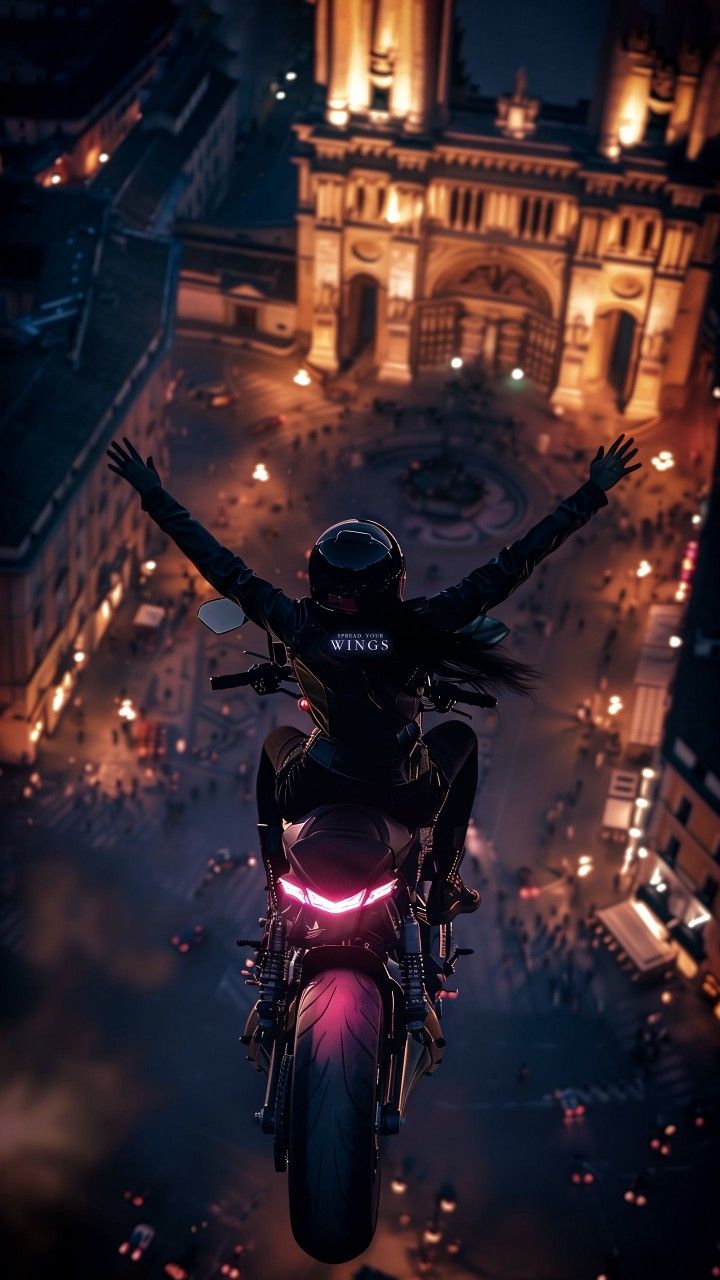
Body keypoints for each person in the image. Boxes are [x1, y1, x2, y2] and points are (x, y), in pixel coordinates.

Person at [106, 433, 641, 923]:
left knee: (275, 744)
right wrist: (591, 492)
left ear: (318, 578)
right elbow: (515, 562)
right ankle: (445, 880)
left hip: (318, 780)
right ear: (395, 582)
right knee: (463, 740)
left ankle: (274, 875)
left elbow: (218, 563)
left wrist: (152, 493)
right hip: (405, 789)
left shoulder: (298, 625)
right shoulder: (422, 625)